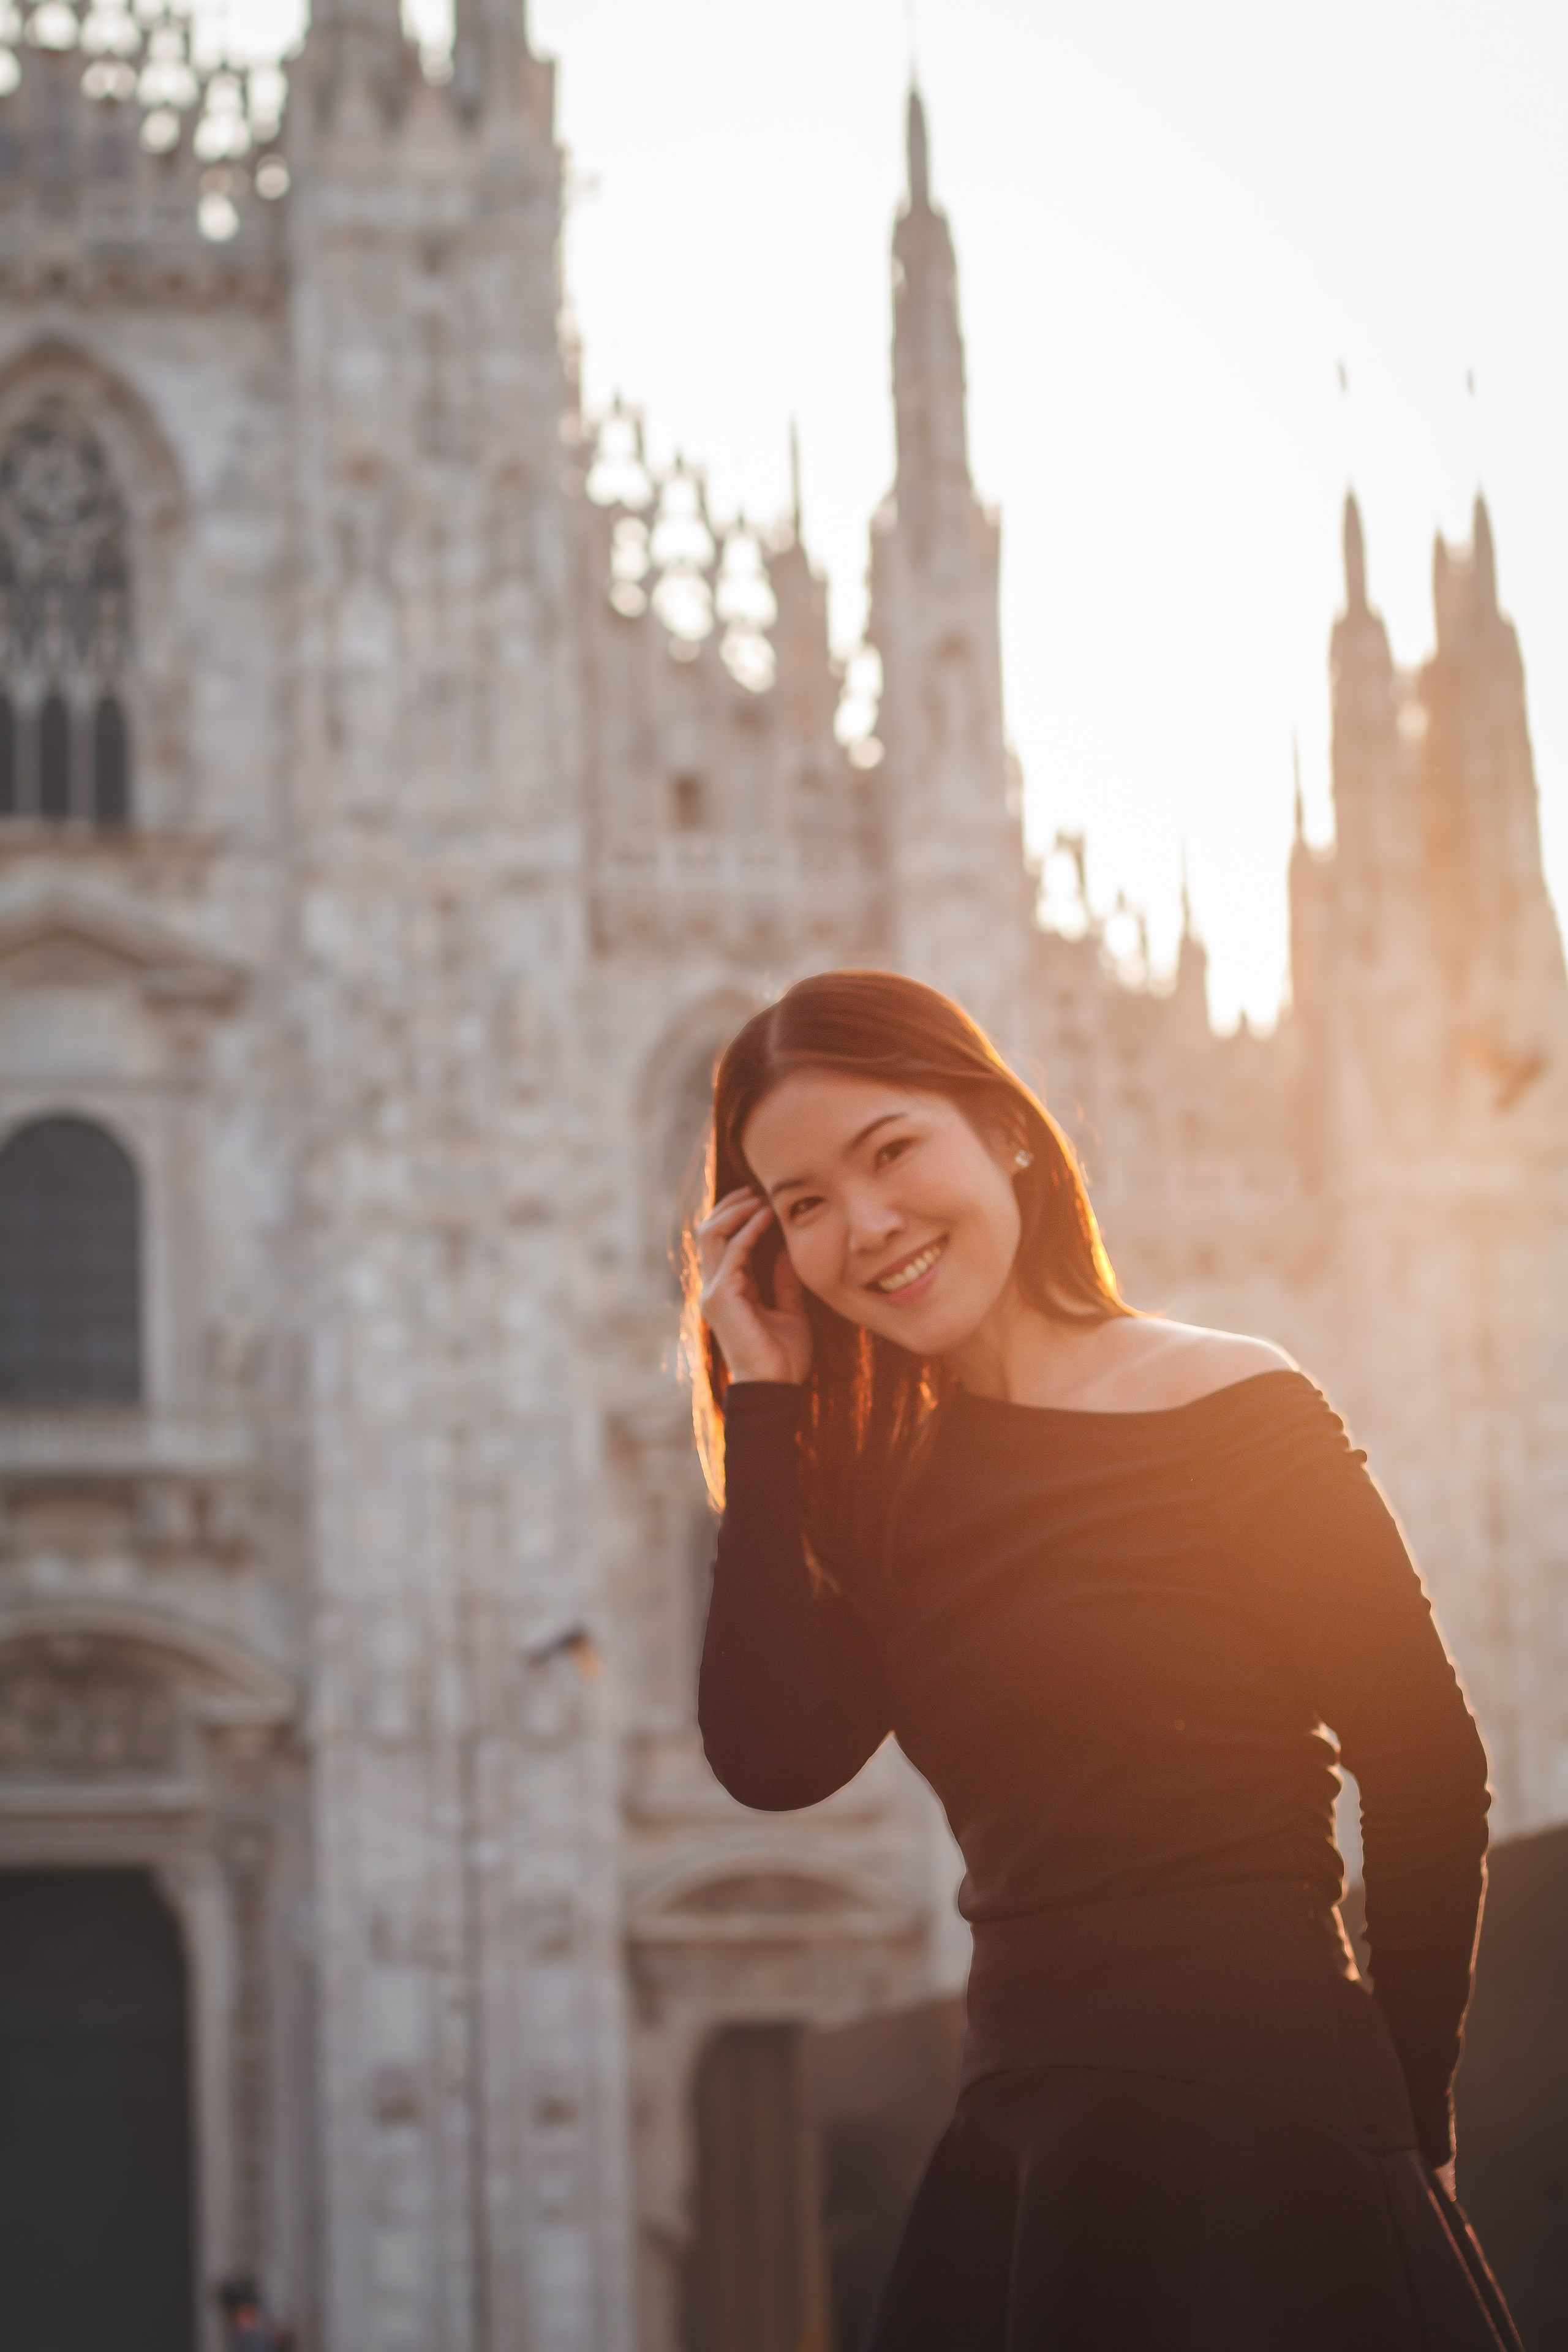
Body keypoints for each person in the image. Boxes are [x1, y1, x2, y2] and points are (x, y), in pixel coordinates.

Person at [689, 968, 1523, 2350]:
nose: (868, 1226)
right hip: (1027, 2146)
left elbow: (1426, 1771)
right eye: (802, 1206)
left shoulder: (1230, 1403)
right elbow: (772, 1760)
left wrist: (1405, 2120)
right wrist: (764, 1398)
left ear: (1004, 1129)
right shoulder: (885, 1489)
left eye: (890, 1152)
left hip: (1268, 2126)